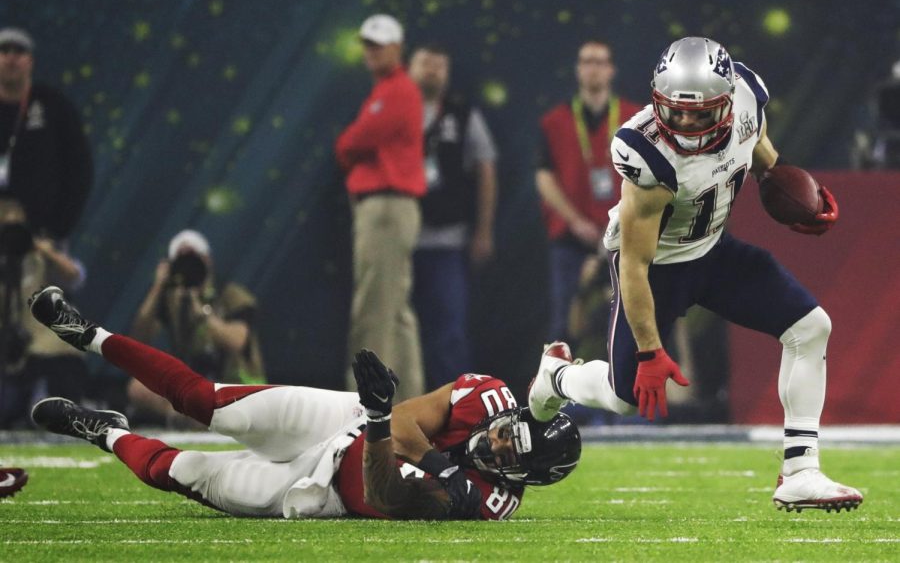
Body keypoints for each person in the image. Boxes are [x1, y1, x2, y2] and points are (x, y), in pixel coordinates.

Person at [528, 37, 862, 512]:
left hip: (713, 252)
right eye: (675, 111)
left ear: (726, 101)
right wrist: (649, 351)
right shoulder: (645, 152)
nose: (685, 122)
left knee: (811, 328)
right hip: (658, 270)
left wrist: (783, 182)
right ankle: (556, 376)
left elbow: (758, 143)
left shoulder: (747, 95)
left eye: (700, 112)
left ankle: (800, 471)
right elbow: (635, 265)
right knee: (625, 398)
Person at [28, 285, 581, 520]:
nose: (500, 442)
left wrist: (396, 436)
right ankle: (90, 334)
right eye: (512, 431)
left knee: (182, 471)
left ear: (520, 479)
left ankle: (103, 431)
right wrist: (390, 426)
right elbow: (407, 423)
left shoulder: (486, 501)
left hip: (325, 491)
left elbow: (386, 493)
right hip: (352, 420)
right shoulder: (488, 397)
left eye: (511, 455)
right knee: (209, 403)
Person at [335, 14, 425, 401]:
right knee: (396, 314)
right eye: (367, 44)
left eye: (379, 44)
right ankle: (409, 405)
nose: (371, 51)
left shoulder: (397, 91)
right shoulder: (388, 90)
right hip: (393, 209)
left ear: (398, 48)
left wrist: (347, 148)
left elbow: (351, 144)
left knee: (373, 312)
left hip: (386, 209)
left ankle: (364, 407)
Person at [536, 40, 642, 345]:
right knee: (563, 322)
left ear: (611, 70)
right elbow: (544, 177)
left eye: (600, 62)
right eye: (587, 62)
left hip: (625, 235)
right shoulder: (554, 121)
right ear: (578, 70)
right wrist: (574, 221)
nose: (593, 68)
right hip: (571, 236)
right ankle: (559, 388)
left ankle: (634, 390)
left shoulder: (635, 119)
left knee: (634, 317)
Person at [407, 43, 498, 389]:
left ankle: (455, 404)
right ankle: (395, 406)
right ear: (410, 67)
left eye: (439, 65)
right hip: (400, 237)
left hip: (448, 240)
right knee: (398, 328)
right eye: (425, 62)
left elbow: (486, 168)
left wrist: (484, 231)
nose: (432, 70)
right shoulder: (392, 110)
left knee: (449, 329)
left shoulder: (463, 115)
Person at [128, 229, 265, 425]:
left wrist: (201, 311)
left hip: (235, 386)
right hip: (195, 390)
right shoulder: (173, 301)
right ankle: (186, 418)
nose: (188, 268)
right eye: (182, 262)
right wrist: (158, 287)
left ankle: (203, 418)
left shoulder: (232, 294)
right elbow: (138, 340)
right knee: (138, 387)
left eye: (194, 260)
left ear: (207, 260)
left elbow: (237, 341)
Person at [0, 198, 87, 428]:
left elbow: (75, 277)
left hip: (42, 346)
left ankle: (44, 405)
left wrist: (44, 251)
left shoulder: (41, 255)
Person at [0, 27, 92, 240]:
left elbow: (80, 170)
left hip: (40, 236)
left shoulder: (54, 105)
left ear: (30, 61)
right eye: (4, 51)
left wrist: (56, 230)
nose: (11, 58)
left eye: (19, 52)